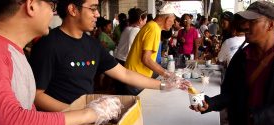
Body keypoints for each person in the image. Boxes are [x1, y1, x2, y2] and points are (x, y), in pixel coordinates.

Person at [29, 0, 188, 112]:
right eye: (92, 8)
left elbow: (124, 73)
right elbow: (37, 96)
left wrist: (163, 85)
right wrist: (78, 113)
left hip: (86, 122)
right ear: (73, 10)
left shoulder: (92, 44)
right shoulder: (48, 45)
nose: (97, 14)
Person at [124, 2, 182, 95]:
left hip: (135, 77)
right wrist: (167, 74)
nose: (174, 23)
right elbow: (146, 59)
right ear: (168, 19)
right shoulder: (153, 29)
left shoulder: (152, 26)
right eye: (174, 20)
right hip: (136, 79)